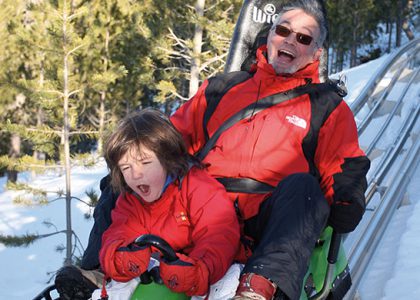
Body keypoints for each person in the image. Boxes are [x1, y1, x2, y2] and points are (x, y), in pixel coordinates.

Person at [55, 1, 370, 299]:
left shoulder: (326, 106)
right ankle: (96, 270)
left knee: (304, 188)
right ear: (271, 34)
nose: (289, 41)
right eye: (283, 31)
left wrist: (347, 197)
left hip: (266, 215)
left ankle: (258, 286)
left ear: (316, 52)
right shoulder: (222, 89)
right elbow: (169, 140)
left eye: (303, 38)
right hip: (199, 203)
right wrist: (137, 158)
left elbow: (345, 163)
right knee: (129, 173)